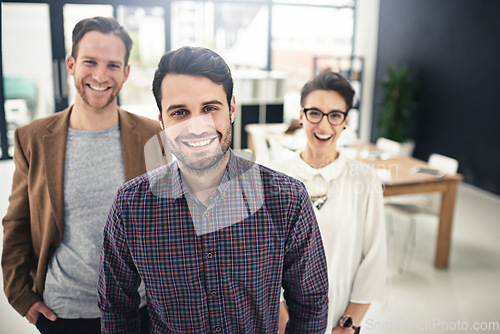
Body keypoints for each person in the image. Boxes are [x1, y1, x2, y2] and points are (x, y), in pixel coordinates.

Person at [97, 46, 329, 333]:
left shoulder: (287, 199)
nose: (197, 127)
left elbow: (311, 304)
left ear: (231, 108)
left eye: (209, 108)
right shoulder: (131, 206)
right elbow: (117, 307)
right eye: (180, 112)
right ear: (162, 120)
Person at [1, 17, 166, 333]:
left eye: (113, 65)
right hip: (64, 314)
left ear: (126, 72)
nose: (101, 76)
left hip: (139, 309)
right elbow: (17, 222)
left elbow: (169, 217)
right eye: (90, 62)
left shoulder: (151, 134)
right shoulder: (33, 138)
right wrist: (20, 294)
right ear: (71, 64)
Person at [276, 72, 386, 334]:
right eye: (315, 113)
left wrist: (348, 326)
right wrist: (283, 324)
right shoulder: (276, 178)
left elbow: (374, 259)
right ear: (301, 116)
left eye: (335, 115)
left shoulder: (366, 180)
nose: (324, 126)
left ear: (345, 121)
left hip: (341, 322)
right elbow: (265, 261)